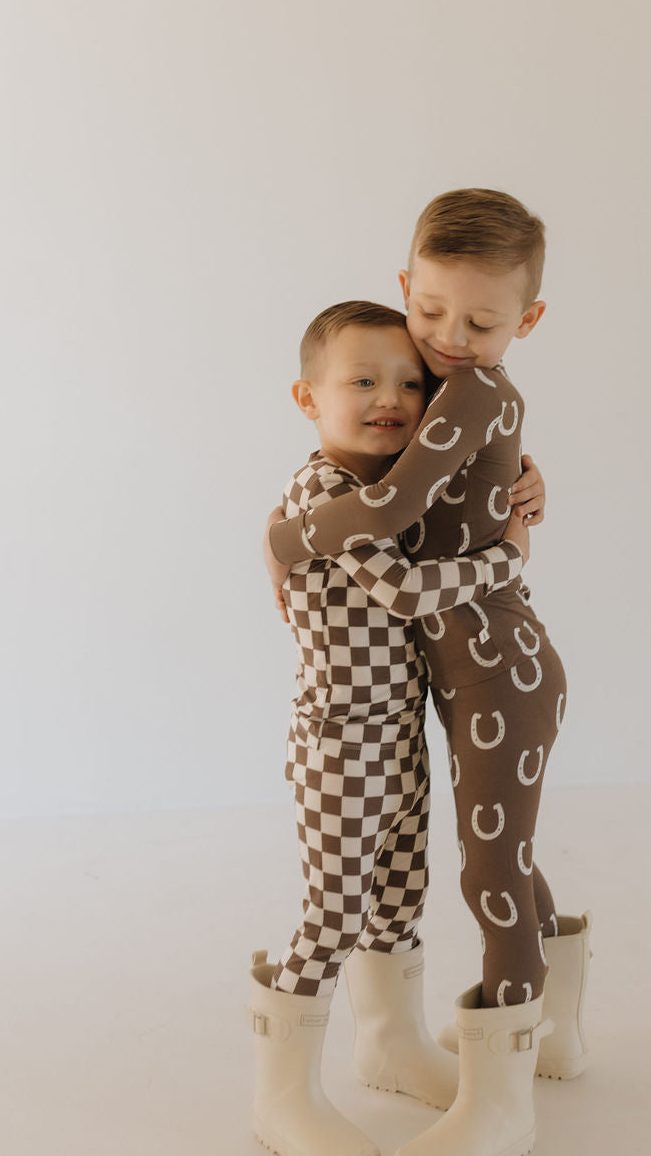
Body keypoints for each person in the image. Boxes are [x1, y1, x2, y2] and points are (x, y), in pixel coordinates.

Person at [264, 190, 591, 1156]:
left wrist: (282, 537)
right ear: (406, 287)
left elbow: (386, 511)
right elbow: (437, 482)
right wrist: (519, 496)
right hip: (440, 682)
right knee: (497, 866)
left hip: (498, 668)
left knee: (490, 872)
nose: (449, 339)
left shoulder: (476, 388)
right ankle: (549, 1037)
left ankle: (504, 1095)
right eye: (433, 312)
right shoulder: (434, 390)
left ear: (526, 322)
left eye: (483, 322)